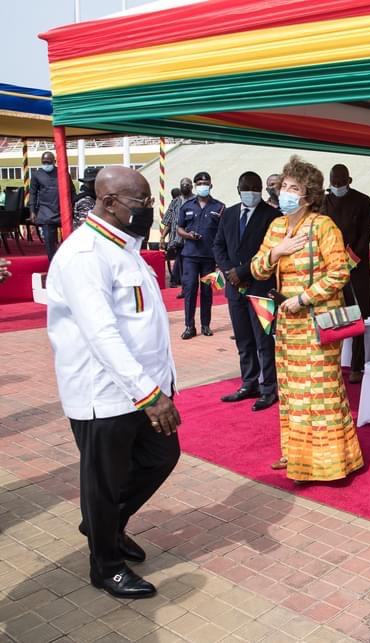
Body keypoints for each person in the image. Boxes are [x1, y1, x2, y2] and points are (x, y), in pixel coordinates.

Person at [46, 165, 181, 598]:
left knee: (161, 456)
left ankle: (104, 524)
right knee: (103, 481)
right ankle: (105, 565)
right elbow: (102, 334)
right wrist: (150, 395)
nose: (148, 210)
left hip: (141, 390)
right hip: (103, 393)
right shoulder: (85, 254)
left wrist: (160, 386)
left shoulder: (124, 246)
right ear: (108, 201)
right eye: (141, 202)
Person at [250, 156, 363, 482]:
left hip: (317, 323)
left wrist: (303, 298)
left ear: (308, 195)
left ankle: (329, 464)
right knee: (292, 391)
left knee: (320, 391)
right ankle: (297, 455)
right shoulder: (277, 227)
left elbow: (339, 273)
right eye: (284, 186)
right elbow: (257, 269)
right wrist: (278, 251)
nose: (285, 192)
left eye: (293, 188)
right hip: (287, 325)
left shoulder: (324, 226)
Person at [213, 172, 281, 412]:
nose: (251, 192)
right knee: (244, 339)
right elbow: (218, 245)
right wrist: (228, 271)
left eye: (255, 188)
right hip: (234, 288)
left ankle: (269, 388)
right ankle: (249, 382)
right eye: (246, 188)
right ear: (238, 189)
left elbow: (271, 252)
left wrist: (242, 272)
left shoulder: (273, 216)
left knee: (263, 341)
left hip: (260, 287)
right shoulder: (229, 213)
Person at [323, 164, 370, 383]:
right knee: (330, 316)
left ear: (349, 180)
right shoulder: (322, 202)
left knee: (357, 316)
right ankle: (330, 364)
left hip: (355, 267)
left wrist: (348, 261)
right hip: (328, 268)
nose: (337, 185)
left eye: (341, 182)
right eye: (334, 182)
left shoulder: (362, 201)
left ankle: (356, 365)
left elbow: (365, 235)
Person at [177, 172, 223, 339]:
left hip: (209, 258)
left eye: (206, 183)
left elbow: (222, 232)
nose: (203, 186)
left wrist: (221, 258)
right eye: (200, 184)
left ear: (211, 185)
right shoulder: (187, 206)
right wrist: (188, 235)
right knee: (190, 289)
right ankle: (189, 326)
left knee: (207, 291)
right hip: (190, 256)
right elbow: (179, 228)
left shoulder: (219, 207)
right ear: (195, 186)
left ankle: (206, 325)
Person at [30, 151, 75, 261]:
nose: (46, 164)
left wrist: (73, 208)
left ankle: (68, 261)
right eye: (44, 162)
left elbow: (72, 191)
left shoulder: (63, 173)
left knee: (69, 240)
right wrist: (32, 211)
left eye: (48, 162)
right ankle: (52, 263)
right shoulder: (36, 175)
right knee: (49, 243)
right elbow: (33, 194)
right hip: (46, 212)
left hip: (63, 211)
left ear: (54, 161)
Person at [161, 178, 192, 292]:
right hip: (177, 239)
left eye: (187, 185)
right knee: (180, 259)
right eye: (183, 185)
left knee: (187, 261)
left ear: (191, 186)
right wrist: (162, 237)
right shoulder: (174, 203)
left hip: (191, 238)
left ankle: (183, 283)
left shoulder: (196, 201)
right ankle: (180, 284)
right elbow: (168, 222)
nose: (185, 186)